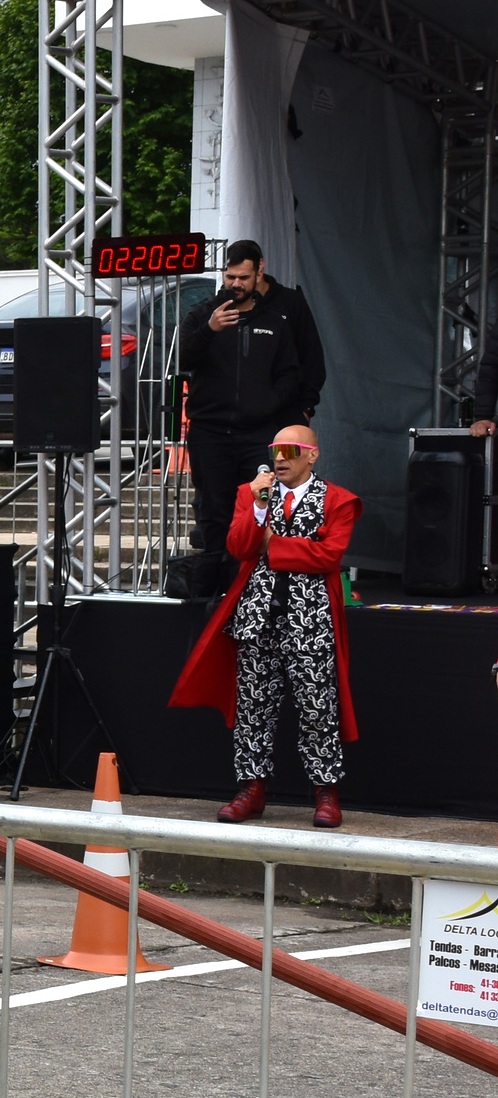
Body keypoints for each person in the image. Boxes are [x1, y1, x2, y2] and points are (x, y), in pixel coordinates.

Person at [168, 424, 359, 828]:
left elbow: (329, 555)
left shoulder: (338, 501)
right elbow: (238, 548)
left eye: (290, 450)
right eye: (275, 450)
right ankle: (251, 790)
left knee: (317, 708)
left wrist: (271, 544)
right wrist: (257, 510)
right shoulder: (251, 495)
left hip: (310, 618)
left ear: (312, 455)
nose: (280, 458)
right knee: (253, 707)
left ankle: (326, 792)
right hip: (257, 617)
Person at [178, 239, 327, 555]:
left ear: (258, 272)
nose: (236, 284)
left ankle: (253, 584)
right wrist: (209, 329)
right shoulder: (201, 315)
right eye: (231, 277)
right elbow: (182, 362)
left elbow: (293, 372)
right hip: (210, 430)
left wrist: (272, 405)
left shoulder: (275, 320)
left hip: (258, 432)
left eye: (243, 278)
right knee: (213, 510)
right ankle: (216, 584)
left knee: (262, 506)